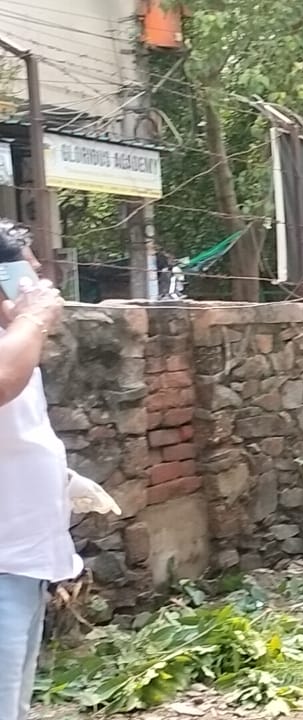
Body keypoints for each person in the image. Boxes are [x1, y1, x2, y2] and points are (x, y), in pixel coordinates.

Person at [0, 220, 82, 720]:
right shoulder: (16, 344)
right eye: (23, 273)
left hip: (21, 563)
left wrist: (61, 481)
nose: (37, 282)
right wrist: (32, 318)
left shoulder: (13, 343)